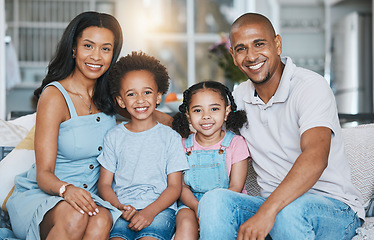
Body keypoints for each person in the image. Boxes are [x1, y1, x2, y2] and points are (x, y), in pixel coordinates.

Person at [198, 13, 365, 240]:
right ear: (234, 56)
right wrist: (142, 113)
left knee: (287, 211)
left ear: (277, 44)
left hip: (332, 207)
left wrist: (268, 211)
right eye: (241, 48)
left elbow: (316, 157)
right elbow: (204, 123)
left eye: (259, 44)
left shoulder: (310, 87)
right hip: (273, 205)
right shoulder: (239, 96)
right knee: (214, 200)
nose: (251, 56)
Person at [97, 51, 189, 240]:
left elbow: (174, 187)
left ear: (158, 96)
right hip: (123, 211)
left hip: (159, 210)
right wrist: (119, 207)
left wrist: (149, 212)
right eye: (131, 94)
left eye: (147, 92)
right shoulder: (113, 137)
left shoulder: (170, 137)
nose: (140, 99)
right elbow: (105, 185)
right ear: (121, 101)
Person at [172, 81, 250, 240]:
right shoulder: (182, 145)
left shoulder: (236, 144)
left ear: (226, 111)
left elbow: (235, 187)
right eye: (197, 110)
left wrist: (210, 213)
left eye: (214, 109)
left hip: (227, 203)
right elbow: (181, 186)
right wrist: (197, 208)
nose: (206, 116)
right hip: (192, 203)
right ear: (188, 114)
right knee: (185, 221)